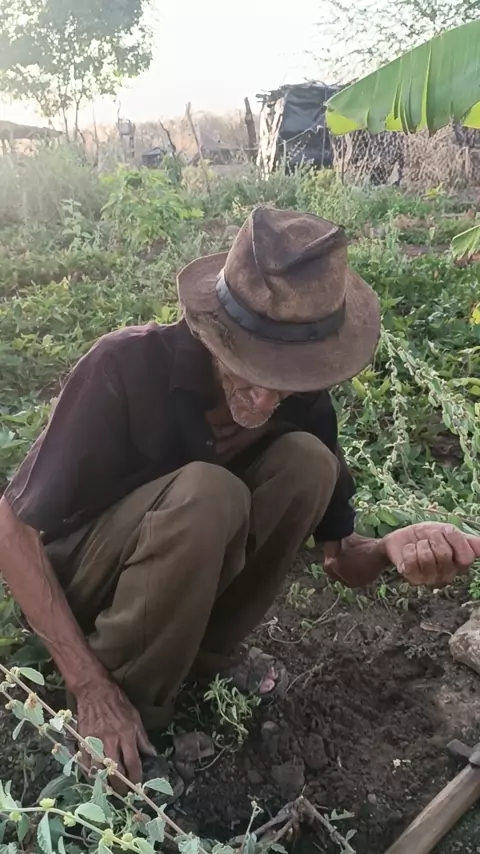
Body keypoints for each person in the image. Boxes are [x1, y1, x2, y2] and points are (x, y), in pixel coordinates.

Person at [1, 206, 479, 786]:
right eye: (248, 369)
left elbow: (342, 558)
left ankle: (202, 664)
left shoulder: (304, 400)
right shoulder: (125, 367)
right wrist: (88, 683)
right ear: (213, 332)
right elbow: (11, 527)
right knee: (210, 493)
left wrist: (388, 550)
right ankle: (128, 710)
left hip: (177, 583)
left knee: (309, 464)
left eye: (285, 379)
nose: (264, 400)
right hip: (82, 581)